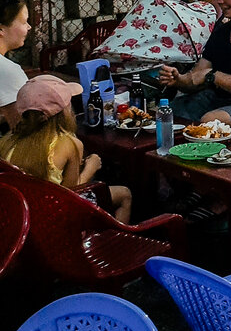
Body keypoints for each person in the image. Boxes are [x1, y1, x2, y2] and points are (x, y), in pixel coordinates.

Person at [0, 75, 132, 223]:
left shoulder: (9, 140)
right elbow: (71, 194)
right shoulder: (69, 143)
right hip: (55, 218)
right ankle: (111, 241)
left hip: (22, 217)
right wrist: (91, 167)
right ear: (63, 111)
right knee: (124, 194)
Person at [0, 0, 30, 129]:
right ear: (1, 29)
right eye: (24, 22)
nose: (29, 27)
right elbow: (22, 129)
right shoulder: (7, 71)